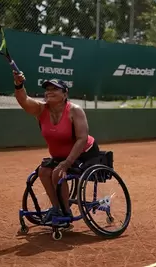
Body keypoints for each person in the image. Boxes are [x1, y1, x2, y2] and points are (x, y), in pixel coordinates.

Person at [13, 71, 100, 224]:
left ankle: (65, 212)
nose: (49, 92)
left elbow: (82, 139)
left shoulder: (75, 110)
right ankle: (56, 208)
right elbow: (24, 100)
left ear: (65, 94)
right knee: (43, 171)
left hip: (83, 153)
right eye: (47, 89)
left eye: (55, 89)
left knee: (57, 173)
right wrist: (19, 84)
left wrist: (67, 163)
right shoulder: (40, 109)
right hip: (59, 156)